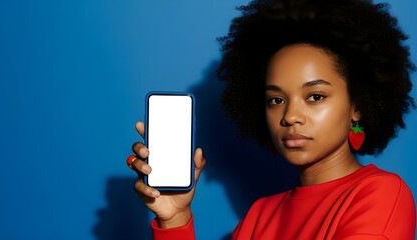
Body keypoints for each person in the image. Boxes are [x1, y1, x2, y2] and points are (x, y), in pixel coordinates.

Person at [127, 0, 416, 239]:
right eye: (276, 100)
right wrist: (174, 219)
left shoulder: (381, 194)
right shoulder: (259, 216)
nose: (290, 116)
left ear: (358, 106)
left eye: (315, 96)